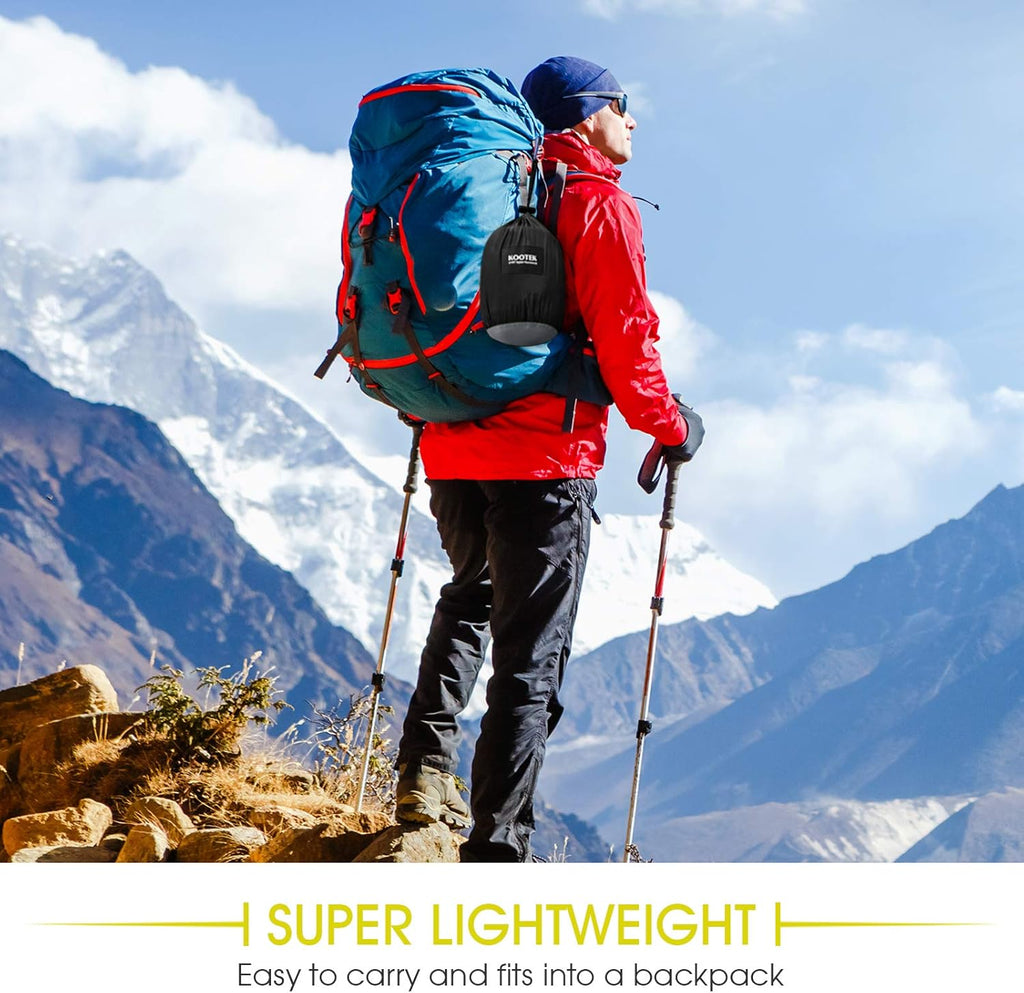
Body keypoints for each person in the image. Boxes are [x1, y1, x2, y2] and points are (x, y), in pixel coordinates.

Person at [393, 56, 704, 862]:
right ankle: (497, 849)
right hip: (545, 458)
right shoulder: (594, 202)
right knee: (530, 658)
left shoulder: (493, 190)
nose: (633, 120)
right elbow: (626, 338)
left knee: (466, 599)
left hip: (456, 443)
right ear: (586, 113)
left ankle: (422, 773)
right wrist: (671, 427)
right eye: (623, 104)